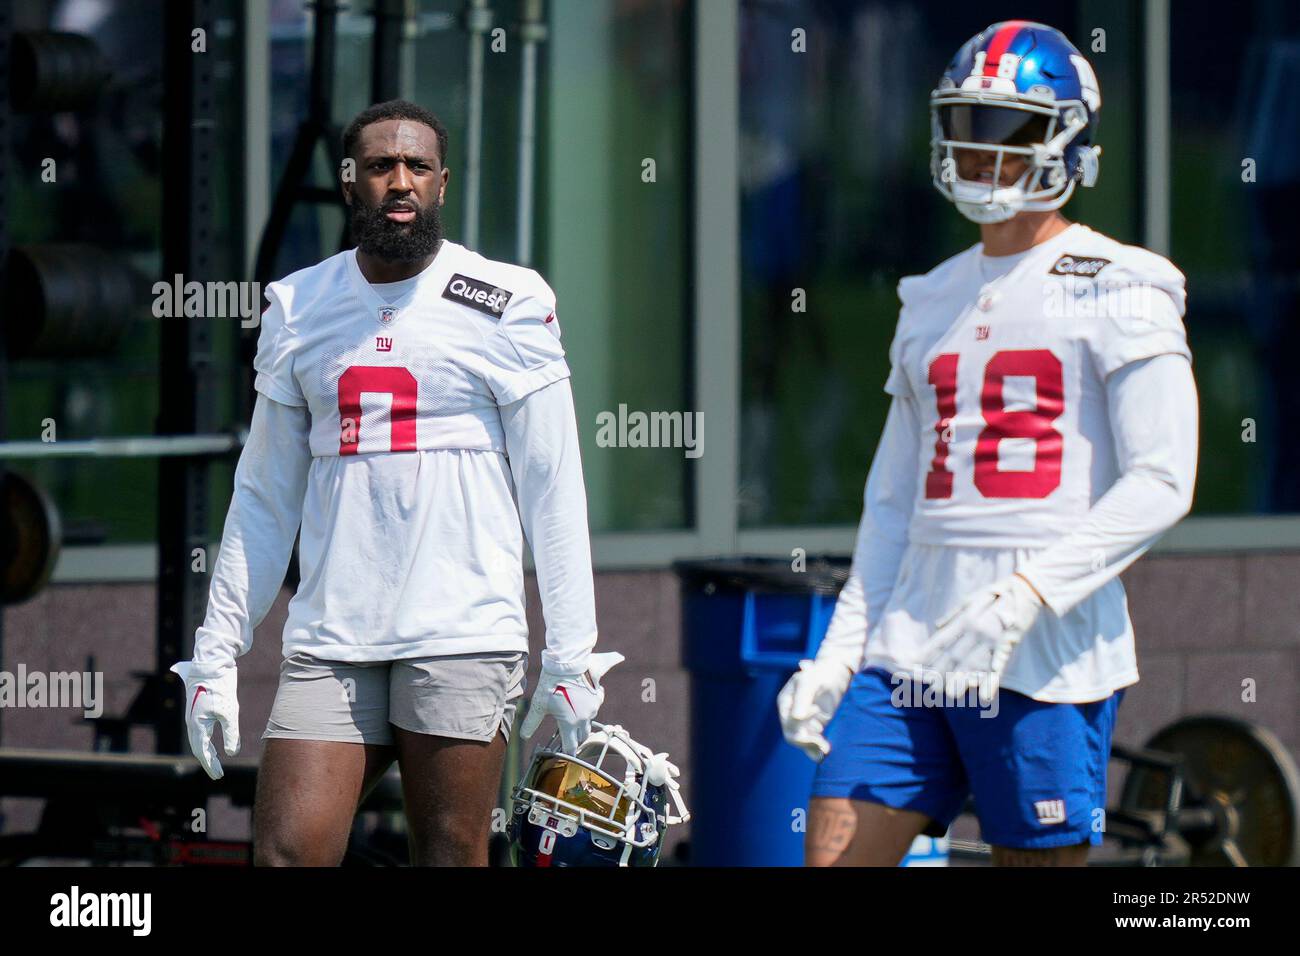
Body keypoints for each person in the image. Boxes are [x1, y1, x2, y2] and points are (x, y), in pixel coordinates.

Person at [778, 22, 1198, 866]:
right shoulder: (930, 295)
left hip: (1043, 652)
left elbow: (1163, 480)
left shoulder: (1121, 281)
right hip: (910, 642)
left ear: (1070, 141)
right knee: (828, 852)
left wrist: (1027, 596)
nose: (982, 150)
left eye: (1010, 129)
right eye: (967, 124)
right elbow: (893, 505)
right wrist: (837, 654)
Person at [170, 99, 621, 866]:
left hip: (463, 631)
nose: (400, 183)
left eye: (417, 168)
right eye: (381, 167)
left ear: (443, 183)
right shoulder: (299, 305)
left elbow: (554, 486)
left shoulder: (508, 301)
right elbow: (264, 497)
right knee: (286, 852)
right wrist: (216, 653)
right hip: (332, 634)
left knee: (449, 854)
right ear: (350, 183)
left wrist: (571, 654)